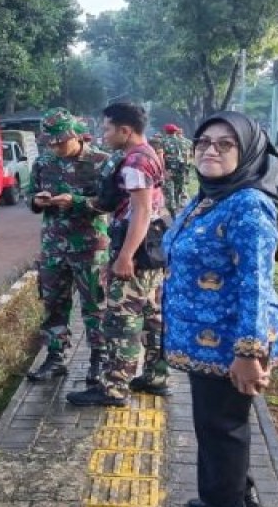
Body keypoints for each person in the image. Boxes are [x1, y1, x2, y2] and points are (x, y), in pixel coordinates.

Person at [160, 111, 278, 507]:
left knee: (221, 426)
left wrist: (249, 353)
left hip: (232, 341)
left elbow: (256, 283)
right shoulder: (211, 197)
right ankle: (230, 494)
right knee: (217, 423)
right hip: (207, 339)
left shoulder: (248, 206)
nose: (210, 150)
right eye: (204, 141)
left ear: (248, 152)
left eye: (225, 144)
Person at [67, 101, 169, 407]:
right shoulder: (147, 153)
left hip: (136, 251)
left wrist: (125, 256)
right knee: (153, 316)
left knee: (121, 320)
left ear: (126, 130)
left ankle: (112, 389)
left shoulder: (135, 163)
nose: (104, 133)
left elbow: (140, 211)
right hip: (152, 250)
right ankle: (155, 376)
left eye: (108, 128)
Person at [26, 109, 114, 383]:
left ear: (76, 135)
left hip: (90, 246)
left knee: (95, 305)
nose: (55, 147)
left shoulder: (101, 162)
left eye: (60, 142)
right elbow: (30, 196)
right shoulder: (43, 162)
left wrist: (76, 201)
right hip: (54, 246)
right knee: (54, 303)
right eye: (50, 142)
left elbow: (110, 202)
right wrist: (38, 201)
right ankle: (55, 358)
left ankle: (99, 360)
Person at [161, 123, 193, 215]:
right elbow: (189, 155)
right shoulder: (185, 141)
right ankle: (179, 209)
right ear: (176, 131)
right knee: (179, 190)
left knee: (169, 191)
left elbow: (160, 157)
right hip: (181, 168)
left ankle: (173, 212)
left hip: (169, 169)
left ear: (166, 131)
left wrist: (163, 171)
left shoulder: (163, 142)